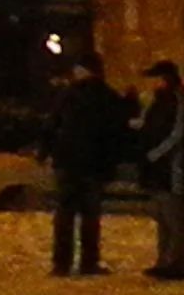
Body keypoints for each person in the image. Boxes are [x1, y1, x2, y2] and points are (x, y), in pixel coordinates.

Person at [43, 51, 131, 278]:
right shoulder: (107, 96)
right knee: (90, 217)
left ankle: (61, 263)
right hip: (94, 165)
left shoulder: (67, 96)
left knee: (65, 215)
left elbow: (51, 126)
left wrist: (46, 153)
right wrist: (114, 162)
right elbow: (118, 133)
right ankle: (88, 262)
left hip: (67, 163)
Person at [137, 59, 184, 281]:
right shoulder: (161, 101)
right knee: (164, 217)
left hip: (173, 167)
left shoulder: (177, 100)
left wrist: (155, 154)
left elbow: (177, 134)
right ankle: (165, 260)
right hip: (161, 166)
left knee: (174, 217)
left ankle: (176, 263)